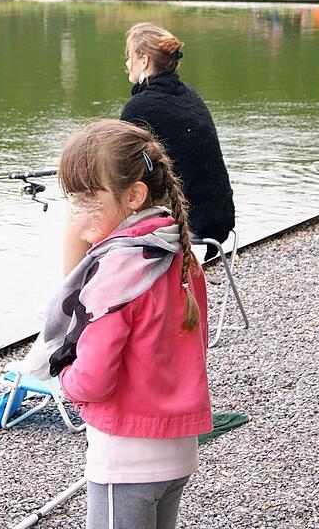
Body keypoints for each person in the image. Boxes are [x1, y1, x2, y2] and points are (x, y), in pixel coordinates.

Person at [18, 119, 212, 529]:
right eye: (71, 199)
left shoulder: (115, 272)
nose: (76, 213)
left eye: (87, 199)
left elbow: (94, 378)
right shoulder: (180, 252)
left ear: (134, 197)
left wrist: (64, 378)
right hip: (178, 447)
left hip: (126, 456)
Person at [119, 23, 235, 247]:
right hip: (218, 215)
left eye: (129, 56)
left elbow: (120, 167)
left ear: (144, 61)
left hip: (190, 221)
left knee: (96, 208)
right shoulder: (189, 94)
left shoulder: (140, 107)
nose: (127, 63)